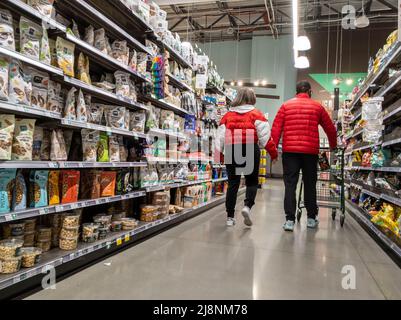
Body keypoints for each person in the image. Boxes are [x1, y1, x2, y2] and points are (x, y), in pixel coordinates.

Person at [271, 81, 337, 232]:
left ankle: (289, 220)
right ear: (309, 91)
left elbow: (275, 129)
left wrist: (273, 151)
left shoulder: (285, 106)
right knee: (309, 184)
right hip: (310, 152)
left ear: (296, 91)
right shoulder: (318, 107)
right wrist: (333, 145)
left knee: (290, 184)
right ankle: (311, 219)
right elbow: (330, 129)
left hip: (290, 152)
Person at [216, 88, 278, 227]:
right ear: (252, 99)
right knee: (251, 182)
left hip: (232, 147)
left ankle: (230, 217)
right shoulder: (257, 114)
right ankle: (247, 206)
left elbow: (219, 137)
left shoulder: (227, 115)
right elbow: (266, 138)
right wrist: (273, 154)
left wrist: (218, 155)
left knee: (233, 184)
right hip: (250, 147)